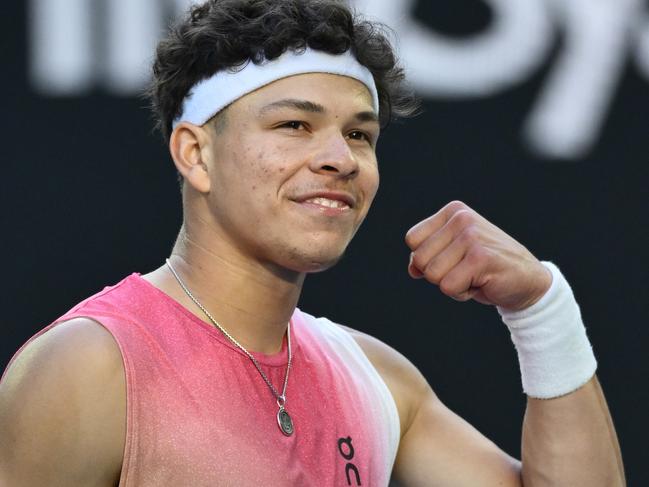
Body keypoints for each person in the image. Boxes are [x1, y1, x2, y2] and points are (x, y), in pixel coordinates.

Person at [0, 0, 625, 485]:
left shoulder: (377, 380)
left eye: (360, 135)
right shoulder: (89, 368)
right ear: (196, 154)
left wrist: (543, 310)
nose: (339, 159)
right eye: (295, 125)